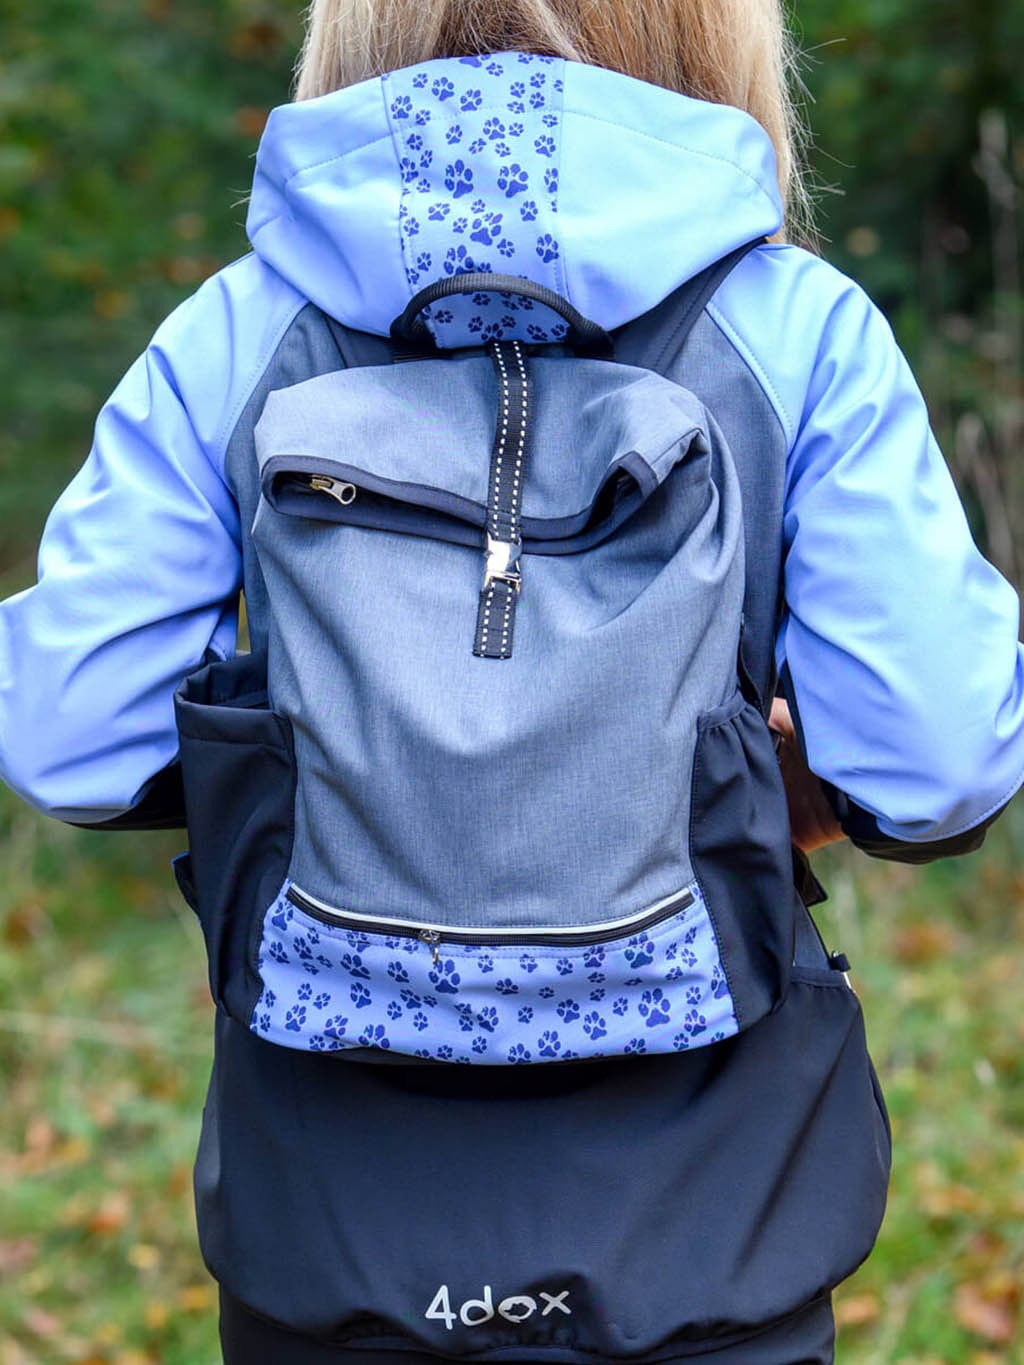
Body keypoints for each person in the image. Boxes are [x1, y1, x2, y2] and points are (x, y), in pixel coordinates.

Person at [2, 1, 1023, 1361]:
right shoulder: (794, 330)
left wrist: (332, 759)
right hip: (710, 1224)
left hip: (330, 1228)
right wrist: (771, 775)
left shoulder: (242, 332)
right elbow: (938, 759)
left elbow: (73, 733)